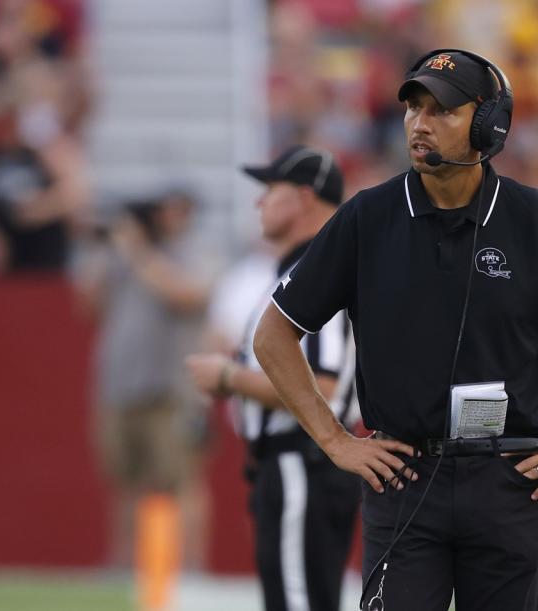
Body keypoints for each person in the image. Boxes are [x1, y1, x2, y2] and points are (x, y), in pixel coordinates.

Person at [252, 49, 538, 611]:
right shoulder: (367, 218)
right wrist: (334, 441)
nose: (420, 122)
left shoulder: (537, 221)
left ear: (489, 125)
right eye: (413, 107)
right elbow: (273, 334)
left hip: (510, 479)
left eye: (441, 110)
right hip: (403, 478)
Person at [186, 145, 361, 611]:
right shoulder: (295, 271)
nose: (258, 202)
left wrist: (228, 377)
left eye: (270, 190)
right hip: (291, 463)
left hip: (302, 461)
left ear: (304, 197)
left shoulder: (318, 272)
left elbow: (322, 387)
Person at [73, 190, 211, 611]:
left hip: (168, 389)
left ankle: (189, 567)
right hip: (119, 386)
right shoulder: (123, 257)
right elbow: (88, 305)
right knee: (125, 480)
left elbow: (187, 294)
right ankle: (123, 564)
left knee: (179, 480)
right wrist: (100, 249)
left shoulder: (191, 253)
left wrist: (136, 249)